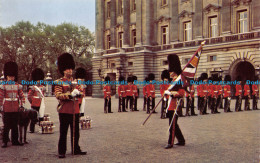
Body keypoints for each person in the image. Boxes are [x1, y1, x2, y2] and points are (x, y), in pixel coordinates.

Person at [54, 53, 87, 158]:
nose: (70, 71)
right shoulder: (59, 82)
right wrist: (70, 95)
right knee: (63, 132)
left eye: (71, 69)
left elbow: (82, 93)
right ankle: (62, 151)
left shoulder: (76, 82)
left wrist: (78, 94)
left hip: (75, 110)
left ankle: (75, 148)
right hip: (64, 110)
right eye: (68, 69)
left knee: (75, 132)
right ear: (63, 70)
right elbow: (58, 95)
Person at [0, 61, 25, 148]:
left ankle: (15, 140)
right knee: (6, 126)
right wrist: (0, 107)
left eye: (13, 76)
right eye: (10, 76)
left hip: (15, 107)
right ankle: (5, 141)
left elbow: (22, 96)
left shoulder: (18, 86)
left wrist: (21, 105)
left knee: (15, 125)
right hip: (7, 107)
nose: (11, 78)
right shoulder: (3, 85)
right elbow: (0, 97)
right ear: (7, 76)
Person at [164, 54, 186, 149]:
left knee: (172, 125)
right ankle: (181, 140)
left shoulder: (179, 81)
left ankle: (171, 142)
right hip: (170, 105)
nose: (169, 73)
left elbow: (181, 93)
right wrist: (166, 94)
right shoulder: (173, 81)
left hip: (175, 106)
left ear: (174, 72)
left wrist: (171, 93)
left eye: (171, 71)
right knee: (174, 124)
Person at [28, 68, 46, 133]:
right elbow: (29, 96)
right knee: (33, 117)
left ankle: (41, 128)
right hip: (34, 104)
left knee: (41, 116)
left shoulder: (43, 87)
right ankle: (31, 129)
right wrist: (32, 102)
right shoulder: (33, 87)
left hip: (41, 104)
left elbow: (43, 96)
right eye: (37, 80)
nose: (38, 81)